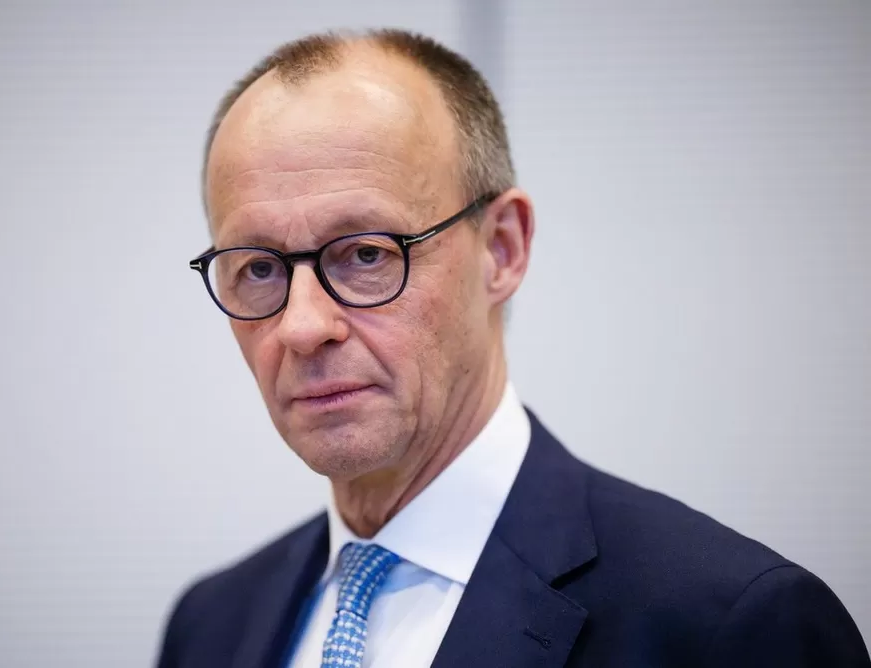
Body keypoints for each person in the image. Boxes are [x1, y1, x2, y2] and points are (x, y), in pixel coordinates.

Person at [157, 28, 869, 668]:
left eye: (367, 253)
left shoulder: (729, 628)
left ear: (501, 249)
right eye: (259, 268)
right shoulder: (210, 625)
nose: (302, 326)